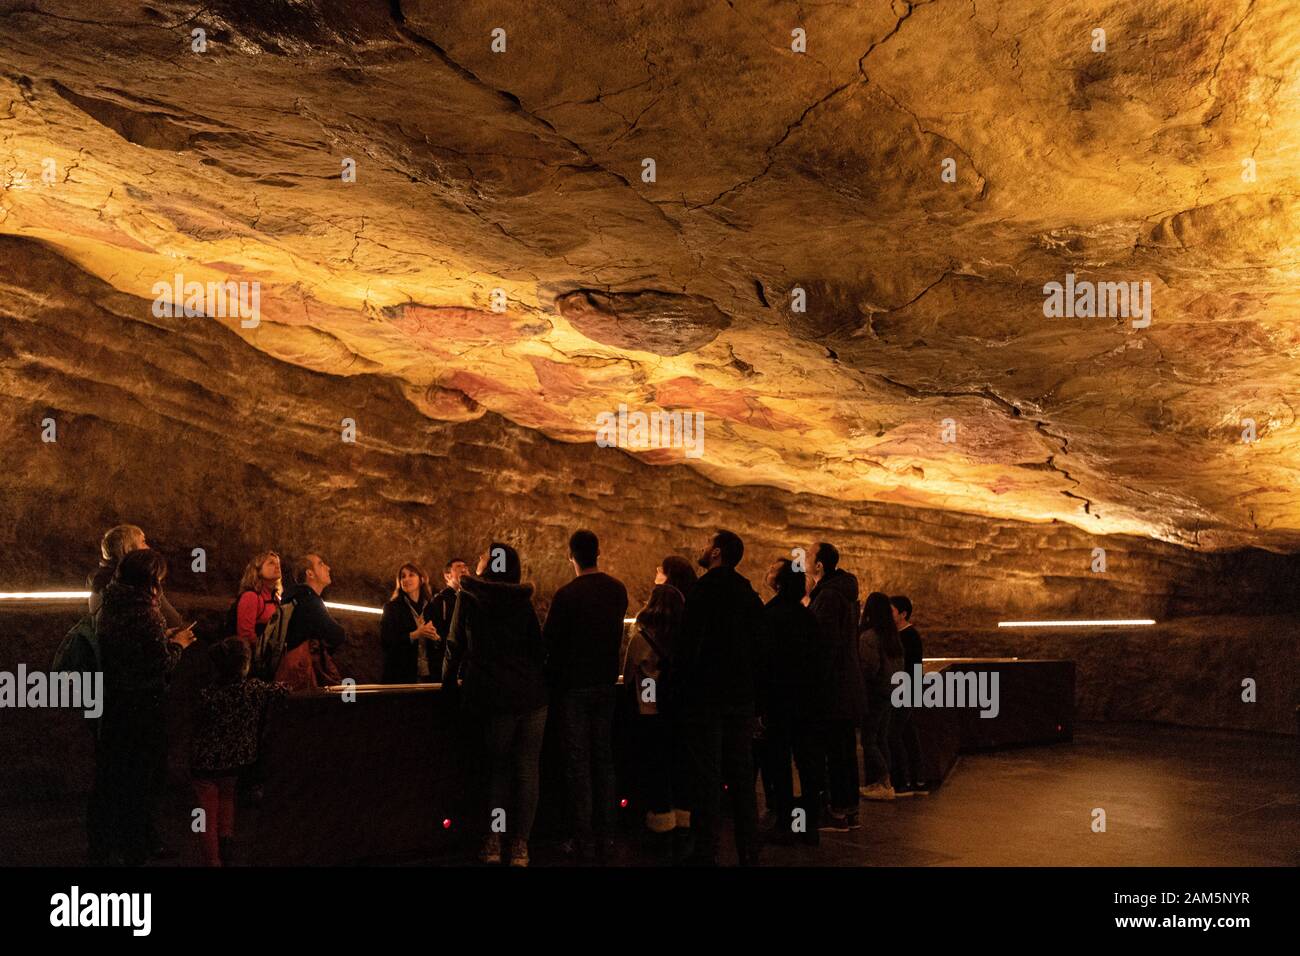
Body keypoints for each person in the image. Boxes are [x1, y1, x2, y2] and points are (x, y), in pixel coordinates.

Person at [442, 543, 548, 867]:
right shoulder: (522, 602)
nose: (477, 561)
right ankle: (520, 846)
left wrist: (448, 687)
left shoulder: (469, 596)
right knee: (528, 771)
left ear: (491, 565)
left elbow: (454, 644)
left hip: (496, 697)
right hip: (532, 698)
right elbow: (539, 650)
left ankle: (494, 841)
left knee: (498, 772)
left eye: (483, 558)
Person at [93, 549, 195, 865]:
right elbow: (159, 665)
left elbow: (129, 649)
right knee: (144, 778)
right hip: (144, 706)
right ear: (150, 580)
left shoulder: (111, 603)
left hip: (116, 705)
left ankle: (119, 844)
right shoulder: (145, 612)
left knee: (121, 777)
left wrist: (159, 637)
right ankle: (137, 848)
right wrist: (177, 644)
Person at [676, 529, 764, 866]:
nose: (701, 546)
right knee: (741, 778)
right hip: (740, 699)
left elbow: (688, 647)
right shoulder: (746, 592)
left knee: (707, 777)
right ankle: (749, 851)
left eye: (706, 542)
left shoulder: (703, 590)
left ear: (716, 553)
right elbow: (761, 647)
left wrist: (685, 689)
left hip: (707, 700)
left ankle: (706, 851)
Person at [543, 530, 629, 861]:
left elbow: (549, 641)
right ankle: (608, 835)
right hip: (606, 686)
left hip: (573, 688)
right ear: (598, 552)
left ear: (571, 556)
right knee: (604, 761)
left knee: (578, 764)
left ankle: (583, 838)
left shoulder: (566, 595)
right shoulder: (617, 590)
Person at [190, 638, 288, 866]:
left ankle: (212, 860)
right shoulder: (253, 690)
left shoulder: (207, 695)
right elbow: (283, 691)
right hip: (237, 759)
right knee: (227, 800)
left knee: (205, 813)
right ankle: (227, 844)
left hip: (205, 762)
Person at [758, 558, 827, 845]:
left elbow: (763, 662)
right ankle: (808, 826)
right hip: (807, 700)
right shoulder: (807, 616)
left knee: (780, 764)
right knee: (807, 763)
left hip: (779, 701)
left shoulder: (771, 615)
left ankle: (786, 822)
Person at [807, 542, 864, 829]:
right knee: (844, 751)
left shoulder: (828, 596)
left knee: (834, 753)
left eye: (807, 554)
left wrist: (815, 683)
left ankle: (837, 811)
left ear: (819, 566)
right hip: (847, 687)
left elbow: (824, 646)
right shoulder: (844, 593)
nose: (803, 558)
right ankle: (849, 809)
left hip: (833, 689)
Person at [623, 584, 686, 837]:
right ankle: (681, 818)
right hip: (676, 709)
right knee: (675, 763)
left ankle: (657, 819)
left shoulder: (641, 638)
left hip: (648, 707)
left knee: (652, 764)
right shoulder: (684, 638)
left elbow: (628, 675)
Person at [275, 552, 346, 691]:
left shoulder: (293, 598)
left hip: (286, 671)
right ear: (310, 573)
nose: (328, 567)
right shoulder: (309, 600)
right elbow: (337, 634)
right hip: (302, 673)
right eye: (321, 564)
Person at [88, 524, 180, 627]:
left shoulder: (97, 579)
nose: (148, 548)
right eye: (143, 542)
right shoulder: (135, 581)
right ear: (129, 549)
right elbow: (172, 620)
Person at [859, 592, 904, 801]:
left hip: (875, 694)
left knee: (869, 740)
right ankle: (886, 783)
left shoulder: (869, 637)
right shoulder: (892, 636)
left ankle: (884, 782)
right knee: (882, 738)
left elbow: (870, 668)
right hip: (891, 692)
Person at [889, 595, 927, 795]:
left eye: (892, 611)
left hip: (905, 691)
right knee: (908, 734)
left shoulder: (909, 635)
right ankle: (918, 780)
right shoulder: (901, 634)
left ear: (903, 614)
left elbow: (911, 666)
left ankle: (902, 782)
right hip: (906, 690)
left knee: (895, 734)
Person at [380, 563, 441, 684]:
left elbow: (444, 641)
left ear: (422, 579)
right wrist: (415, 634)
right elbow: (386, 641)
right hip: (402, 674)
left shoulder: (432, 607)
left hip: (430, 675)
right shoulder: (392, 608)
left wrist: (437, 639)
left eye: (411, 575)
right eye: (402, 576)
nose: (406, 579)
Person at [233, 551, 282, 645]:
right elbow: (246, 636)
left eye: (278, 563)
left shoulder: (276, 598)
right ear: (258, 570)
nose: (277, 566)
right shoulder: (251, 597)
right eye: (271, 563)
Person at [429, 558, 469, 645]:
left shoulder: (472, 598)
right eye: (458, 567)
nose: (464, 569)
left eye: (465, 567)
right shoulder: (440, 601)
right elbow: (436, 634)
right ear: (448, 576)